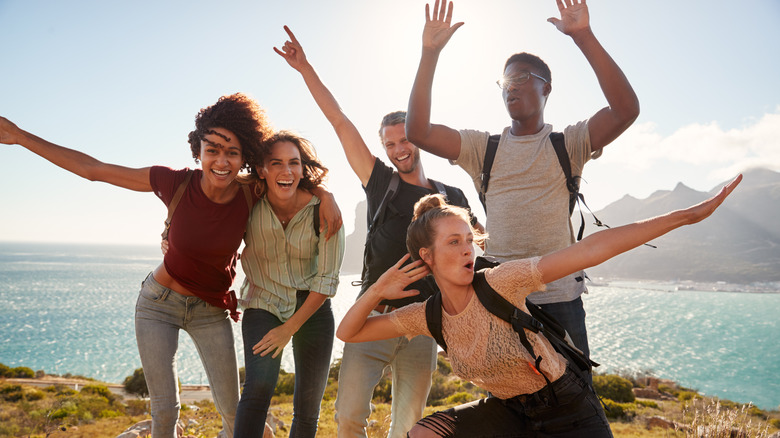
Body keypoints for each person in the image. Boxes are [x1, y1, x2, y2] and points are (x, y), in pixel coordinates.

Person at [0, 94, 341, 438]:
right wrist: (20, 136)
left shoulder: (250, 192)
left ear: (245, 157)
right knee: (165, 412)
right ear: (198, 150)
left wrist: (326, 196)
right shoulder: (174, 182)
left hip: (210, 309)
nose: (222, 161)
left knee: (233, 408)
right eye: (212, 150)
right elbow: (94, 170)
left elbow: (289, 179)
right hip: (158, 305)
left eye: (232, 152)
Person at [337, 174, 741, 437]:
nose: (467, 251)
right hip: (508, 413)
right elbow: (349, 332)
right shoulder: (428, 315)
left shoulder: (500, 281)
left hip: (568, 409)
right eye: (453, 242)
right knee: (424, 434)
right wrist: (377, 289)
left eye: (469, 240)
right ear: (427, 256)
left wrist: (686, 216)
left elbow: (591, 249)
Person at [274, 26, 483, 438]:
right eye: (390, 144)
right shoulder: (380, 182)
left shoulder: (452, 195)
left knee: (409, 425)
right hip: (374, 315)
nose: (399, 149)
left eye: (405, 140)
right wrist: (305, 68)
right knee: (349, 417)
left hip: (425, 322)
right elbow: (339, 121)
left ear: (418, 139)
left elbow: (475, 254)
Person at [405, 0, 641, 364]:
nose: (509, 88)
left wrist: (583, 36)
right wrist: (429, 53)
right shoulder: (482, 148)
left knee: (575, 394)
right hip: (499, 298)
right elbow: (418, 131)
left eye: (520, 78)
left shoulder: (569, 143)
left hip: (560, 299)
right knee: (506, 394)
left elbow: (626, 110)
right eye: (504, 83)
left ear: (547, 88)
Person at [234, 130, 345, 437]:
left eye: (294, 163)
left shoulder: (324, 211)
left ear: (302, 169)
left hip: (312, 308)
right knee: (257, 388)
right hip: (263, 302)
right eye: (276, 163)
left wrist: (289, 329)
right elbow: (210, 201)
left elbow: (326, 280)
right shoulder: (248, 201)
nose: (287, 171)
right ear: (262, 169)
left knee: (308, 408)